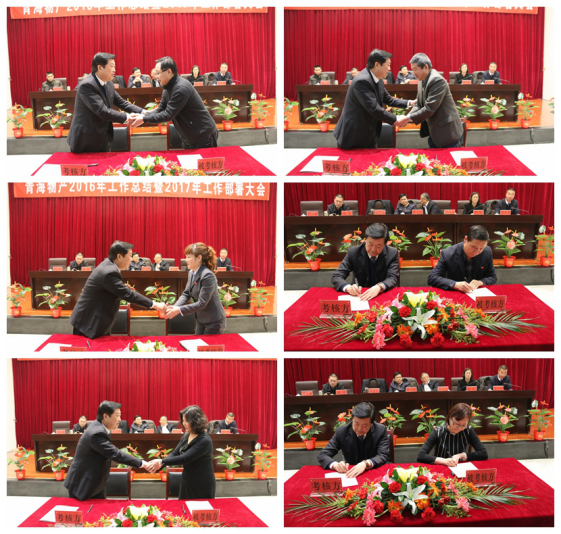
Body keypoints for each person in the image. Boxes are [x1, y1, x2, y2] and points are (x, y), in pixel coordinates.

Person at [69, 240, 166, 339]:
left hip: (93, 319)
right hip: (88, 324)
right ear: (119, 256)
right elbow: (128, 294)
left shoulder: (108, 265)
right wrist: (155, 304)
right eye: (130, 256)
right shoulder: (109, 272)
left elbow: (110, 290)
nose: (131, 259)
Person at [64, 401, 151, 500]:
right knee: (87, 509)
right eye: (117, 415)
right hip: (83, 484)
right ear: (105, 416)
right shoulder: (96, 433)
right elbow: (115, 454)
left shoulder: (100, 427)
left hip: (95, 481)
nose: (120, 419)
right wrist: (143, 463)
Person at [333, 49, 415, 149]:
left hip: (369, 132)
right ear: (377, 65)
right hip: (354, 134)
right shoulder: (362, 81)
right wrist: (396, 119)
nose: (389, 68)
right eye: (388, 65)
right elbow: (374, 108)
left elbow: (389, 99)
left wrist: (410, 102)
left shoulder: (377, 78)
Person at [131, 56, 218, 150]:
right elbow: (161, 109)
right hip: (189, 137)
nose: (156, 77)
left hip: (203, 135)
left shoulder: (181, 88)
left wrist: (144, 119)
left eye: (158, 73)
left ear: (169, 71)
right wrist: (143, 115)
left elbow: (168, 114)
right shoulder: (167, 87)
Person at [67, 53, 145, 153]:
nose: (114, 70)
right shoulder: (87, 85)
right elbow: (102, 111)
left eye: (114, 66)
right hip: (86, 139)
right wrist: (127, 117)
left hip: (104, 136)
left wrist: (143, 112)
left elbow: (122, 103)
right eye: (111, 66)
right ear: (100, 68)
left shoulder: (108, 83)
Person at [396, 53, 463, 149]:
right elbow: (419, 104)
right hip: (434, 132)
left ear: (425, 67)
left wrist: (407, 119)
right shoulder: (421, 80)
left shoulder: (437, 80)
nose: (413, 73)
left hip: (447, 133)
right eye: (412, 70)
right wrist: (407, 117)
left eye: (415, 69)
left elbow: (429, 109)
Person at [149, 405, 216, 498]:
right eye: (183, 420)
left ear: (196, 421)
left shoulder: (204, 440)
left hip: (202, 484)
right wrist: (161, 464)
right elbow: (175, 453)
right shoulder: (186, 435)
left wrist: (161, 461)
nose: (184, 424)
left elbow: (185, 458)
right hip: (187, 481)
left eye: (187, 421)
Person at [164, 243, 226, 334]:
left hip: (214, 321)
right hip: (201, 319)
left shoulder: (207, 275)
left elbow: (202, 303)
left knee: (206, 343)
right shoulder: (191, 272)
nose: (186, 260)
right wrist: (176, 307)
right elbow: (186, 294)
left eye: (189, 257)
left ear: (199, 258)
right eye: (186, 257)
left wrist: (179, 310)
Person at [317, 402, 390, 477]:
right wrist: (335, 465)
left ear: (371, 424)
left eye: (364, 425)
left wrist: (366, 463)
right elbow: (323, 455)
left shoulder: (380, 430)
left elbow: (383, 455)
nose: (359, 429)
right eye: (356, 423)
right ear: (352, 419)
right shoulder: (342, 431)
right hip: (351, 474)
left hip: (373, 473)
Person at [332, 223, 399, 301]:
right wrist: (348, 288)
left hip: (381, 295)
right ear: (365, 240)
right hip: (359, 296)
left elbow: (393, 277)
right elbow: (337, 276)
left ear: (385, 244)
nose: (373, 249)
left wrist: (379, 286)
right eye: (370, 244)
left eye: (378, 246)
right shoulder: (354, 252)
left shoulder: (392, 253)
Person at [428, 225, 497, 292]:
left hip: (476, 293)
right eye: (474, 247)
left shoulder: (487, 252)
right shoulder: (448, 253)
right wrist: (454, 284)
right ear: (465, 239)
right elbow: (432, 278)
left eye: (481, 248)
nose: (477, 252)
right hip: (456, 294)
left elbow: (492, 277)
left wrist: (481, 282)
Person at [417, 403, 488, 465]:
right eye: (456, 424)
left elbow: (483, 453)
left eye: (463, 425)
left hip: (460, 468)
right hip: (440, 468)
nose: (459, 428)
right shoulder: (437, 432)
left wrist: (461, 455)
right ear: (450, 417)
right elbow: (421, 455)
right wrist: (444, 461)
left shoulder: (468, 431)